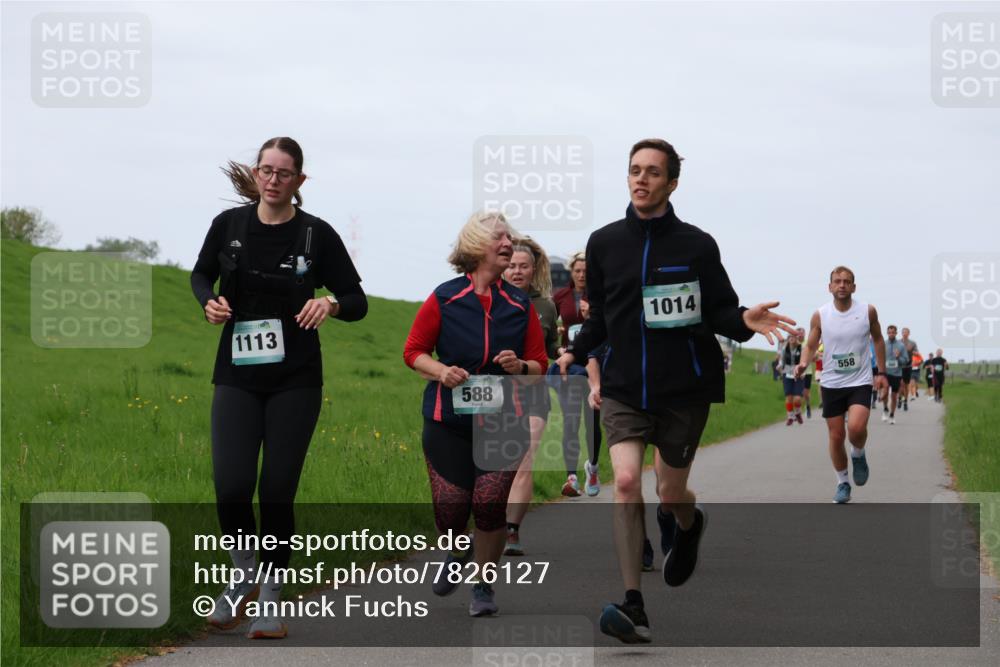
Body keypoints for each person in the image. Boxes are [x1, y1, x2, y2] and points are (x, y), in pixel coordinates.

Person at [556, 138, 795, 643]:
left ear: (672, 183)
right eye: (634, 171)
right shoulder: (603, 243)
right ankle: (634, 604)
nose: (641, 179)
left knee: (669, 490)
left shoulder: (696, 245)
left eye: (652, 173)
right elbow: (601, 317)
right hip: (623, 387)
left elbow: (722, 311)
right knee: (625, 483)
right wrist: (575, 352)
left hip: (683, 388)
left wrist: (745, 322)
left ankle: (687, 525)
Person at [191, 137, 367, 639]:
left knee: (275, 491)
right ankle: (241, 572)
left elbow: (356, 298)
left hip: (295, 380)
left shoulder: (316, 234)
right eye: (265, 170)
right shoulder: (229, 227)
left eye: (283, 173)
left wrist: (330, 304)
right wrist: (208, 303)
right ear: (256, 173)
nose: (272, 180)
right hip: (237, 375)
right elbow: (201, 275)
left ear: (299, 181)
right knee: (230, 486)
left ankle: (270, 596)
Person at [403, 211, 548, 617]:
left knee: (487, 504)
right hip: (446, 421)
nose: (508, 244)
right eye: (499, 238)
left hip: (503, 421)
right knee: (451, 508)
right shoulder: (444, 298)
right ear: (474, 246)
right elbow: (413, 352)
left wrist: (520, 366)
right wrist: (441, 371)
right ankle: (455, 549)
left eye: (510, 238)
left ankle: (483, 586)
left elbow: (541, 366)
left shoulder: (519, 306)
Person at [795, 266, 887, 505]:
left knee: (855, 429)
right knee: (836, 436)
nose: (842, 285)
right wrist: (804, 362)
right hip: (832, 383)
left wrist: (882, 372)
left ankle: (858, 453)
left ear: (854, 287)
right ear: (830, 287)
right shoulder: (821, 315)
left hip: (860, 380)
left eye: (847, 282)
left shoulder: (867, 311)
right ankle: (842, 483)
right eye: (837, 281)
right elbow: (811, 344)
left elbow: (878, 339)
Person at [502, 238, 559, 556]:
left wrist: (563, 354)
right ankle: (490, 520)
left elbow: (550, 349)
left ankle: (512, 531)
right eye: (511, 265)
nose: (517, 271)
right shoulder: (491, 299)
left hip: (535, 390)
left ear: (533, 269)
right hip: (496, 391)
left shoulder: (546, 306)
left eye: (523, 266)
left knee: (525, 459)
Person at [552, 251, 593, 495]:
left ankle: (593, 468)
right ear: (571, 271)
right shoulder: (561, 296)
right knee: (570, 421)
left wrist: (592, 315)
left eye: (586, 272)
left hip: (594, 365)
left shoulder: (600, 296)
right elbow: (547, 327)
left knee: (591, 423)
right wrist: (557, 342)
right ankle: (571, 477)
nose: (581, 275)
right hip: (570, 366)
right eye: (577, 271)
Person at [880, 325, 908, 425]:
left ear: (896, 333)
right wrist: (880, 371)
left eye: (893, 332)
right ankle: (885, 409)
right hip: (886, 373)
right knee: (885, 391)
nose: (891, 334)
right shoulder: (883, 344)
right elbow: (880, 358)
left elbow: (905, 361)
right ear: (887, 333)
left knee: (894, 396)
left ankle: (892, 415)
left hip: (896, 374)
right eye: (889, 332)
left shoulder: (901, 345)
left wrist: (898, 357)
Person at [778, 331, 805, 425]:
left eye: (793, 337)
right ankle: (790, 416)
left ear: (796, 339)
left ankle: (797, 412)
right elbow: (781, 360)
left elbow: (804, 360)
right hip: (787, 373)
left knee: (797, 398)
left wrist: (802, 369)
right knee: (789, 397)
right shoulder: (784, 348)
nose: (792, 339)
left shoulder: (801, 348)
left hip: (798, 374)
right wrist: (780, 367)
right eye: (790, 337)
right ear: (788, 339)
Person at [900, 328, 919, 407]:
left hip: (908, 365)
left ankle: (905, 401)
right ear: (901, 333)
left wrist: (912, 351)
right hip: (899, 365)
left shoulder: (912, 343)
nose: (904, 334)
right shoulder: (898, 342)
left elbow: (917, 353)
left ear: (909, 333)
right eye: (903, 332)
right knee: (900, 384)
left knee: (906, 385)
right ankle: (900, 398)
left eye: (906, 332)